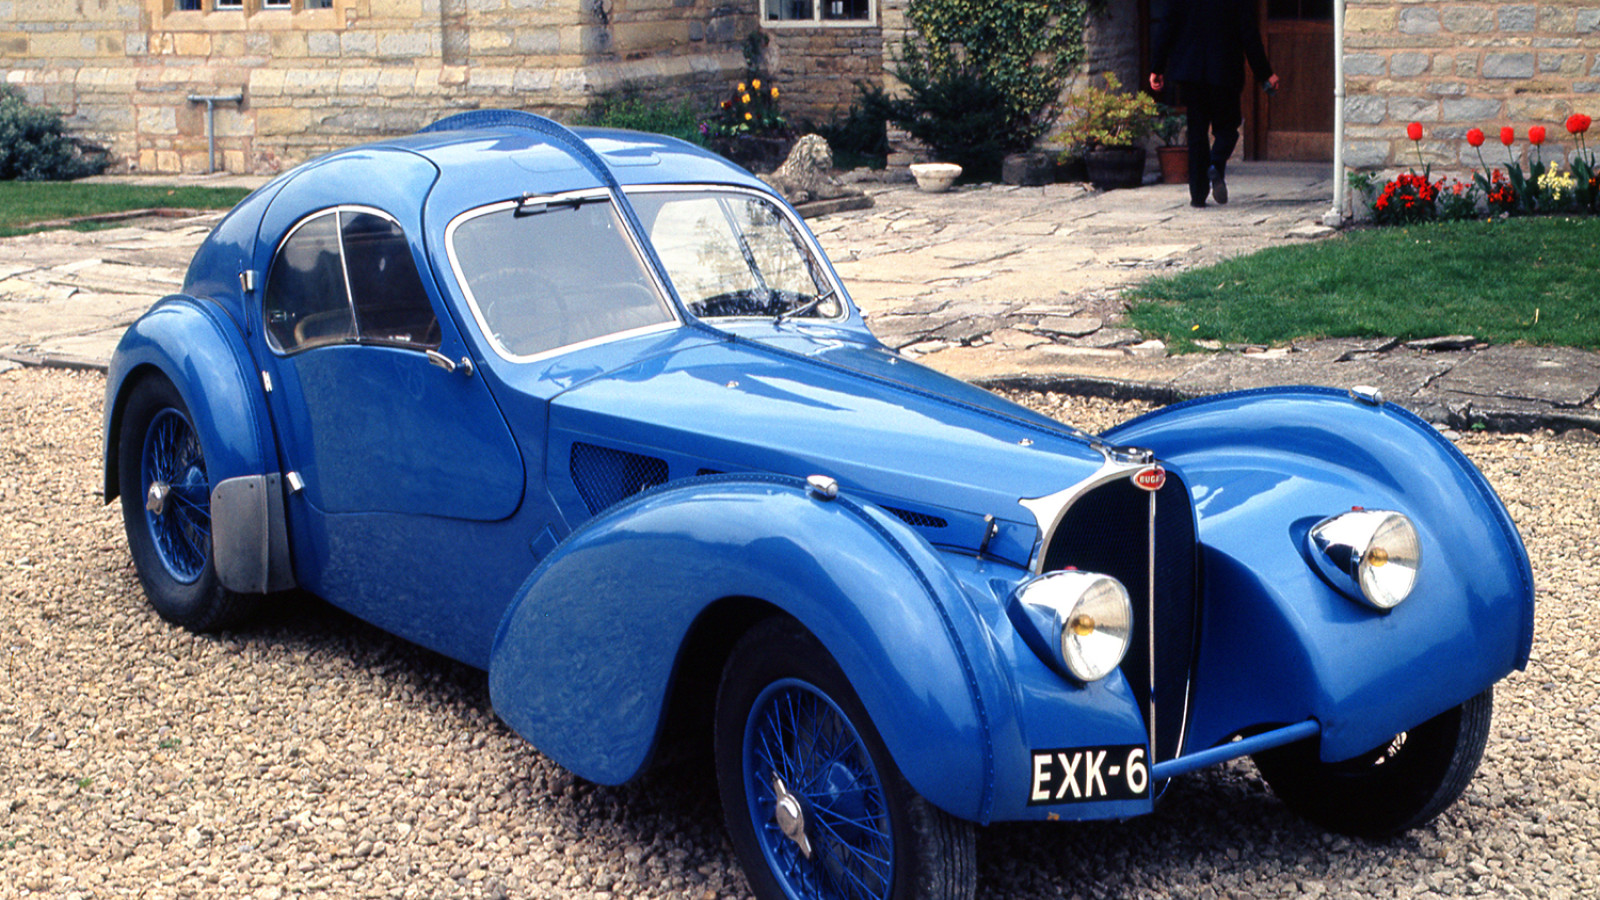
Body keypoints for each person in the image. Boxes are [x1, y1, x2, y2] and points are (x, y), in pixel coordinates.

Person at [1149, 0, 1281, 207]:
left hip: (1190, 70)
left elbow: (1167, 26)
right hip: (1224, 71)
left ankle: (1198, 195)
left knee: (1196, 132)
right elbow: (1249, 34)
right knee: (1228, 127)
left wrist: (1157, 67)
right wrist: (1265, 73)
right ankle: (1216, 164)